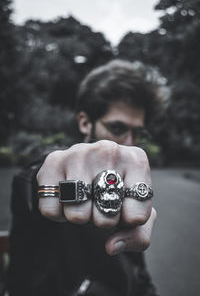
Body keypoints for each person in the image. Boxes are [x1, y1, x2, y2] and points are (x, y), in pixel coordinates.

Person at [8, 60, 166, 296]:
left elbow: (137, 271)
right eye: (117, 128)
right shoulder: (50, 167)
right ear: (84, 122)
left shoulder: (124, 187)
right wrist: (47, 176)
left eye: (137, 132)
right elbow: (39, 172)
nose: (129, 143)